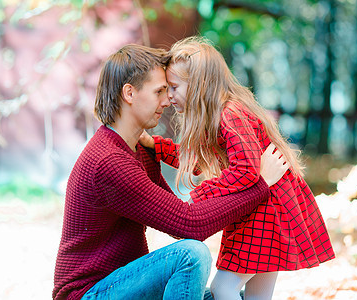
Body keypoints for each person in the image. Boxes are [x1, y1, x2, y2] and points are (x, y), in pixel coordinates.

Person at [52, 44, 288, 300]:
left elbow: (176, 213)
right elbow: (189, 224)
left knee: (233, 297)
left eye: (169, 90)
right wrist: (260, 185)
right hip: (89, 294)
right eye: (159, 91)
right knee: (191, 254)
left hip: (125, 285)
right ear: (129, 93)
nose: (167, 101)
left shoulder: (138, 149)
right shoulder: (109, 162)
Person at [140, 36, 335, 300]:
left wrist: (204, 194)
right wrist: (156, 146)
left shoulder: (230, 113)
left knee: (223, 288)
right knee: (257, 295)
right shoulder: (221, 114)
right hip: (269, 206)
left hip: (265, 211)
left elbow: (245, 171)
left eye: (174, 87)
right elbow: (196, 161)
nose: (170, 96)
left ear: (199, 85)